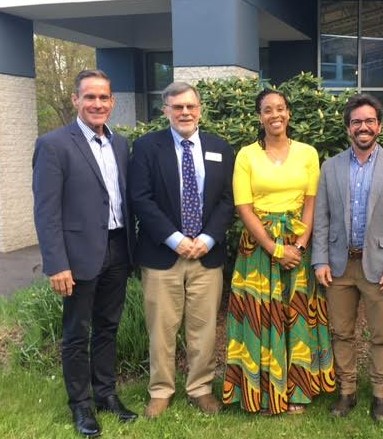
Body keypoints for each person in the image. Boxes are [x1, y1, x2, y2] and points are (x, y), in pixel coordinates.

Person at [32, 69, 137, 437]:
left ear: (112, 102)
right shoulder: (54, 144)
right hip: (77, 256)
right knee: (77, 332)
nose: (97, 103)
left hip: (118, 248)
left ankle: (106, 395)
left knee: (107, 327)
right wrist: (56, 263)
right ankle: (81, 406)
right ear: (76, 100)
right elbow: (46, 211)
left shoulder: (121, 144)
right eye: (89, 97)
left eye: (104, 97)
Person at [222, 89, 335, 415]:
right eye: (268, 110)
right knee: (260, 317)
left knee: (297, 314)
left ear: (288, 113)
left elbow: (312, 203)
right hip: (258, 248)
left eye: (281, 109)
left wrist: (298, 246)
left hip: (298, 245)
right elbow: (244, 207)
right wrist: (273, 248)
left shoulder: (308, 153)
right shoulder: (246, 155)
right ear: (260, 116)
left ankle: (298, 391)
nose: (275, 115)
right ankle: (259, 390)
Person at [128, 81, 235, 418]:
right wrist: (175, 238)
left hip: (207, 254)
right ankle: (161, 390)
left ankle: (200, 388)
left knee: (203, 327)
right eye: (177, 107)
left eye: (190, 106)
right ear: (166, 111)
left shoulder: (221, 147)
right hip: (163, 255)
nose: (185, 112)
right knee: (162, 328)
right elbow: (140, 199)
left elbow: (227, 201)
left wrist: (207, 238)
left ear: (199, 109)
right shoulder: (147, 147)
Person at [312, 93, 383, 422]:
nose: (363, 126)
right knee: (342, 333)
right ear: (348, 129)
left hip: (380, 267)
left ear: (379, 127)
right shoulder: (330, 167)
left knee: (382, 334)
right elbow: (322, 218)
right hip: (340, 266)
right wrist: (320, 260)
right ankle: (347, 390)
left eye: (369, 121)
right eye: (357, 121)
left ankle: (381, 395)